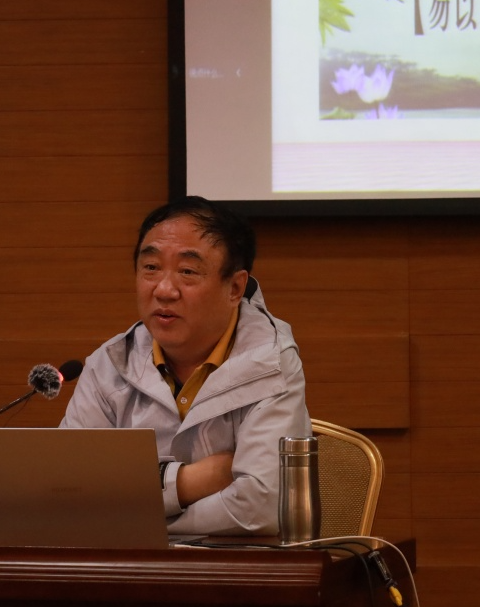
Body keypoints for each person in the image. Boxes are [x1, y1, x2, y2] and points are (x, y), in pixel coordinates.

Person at [59, 196, 311, 535]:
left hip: (234, 563)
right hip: (129, 564)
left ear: (235, 287)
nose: (164, 290)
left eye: (187, 272)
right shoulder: (110, 362)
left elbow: (260, 507)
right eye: (151, 268)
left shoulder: (271, 360)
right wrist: (190, 482)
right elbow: (68, 492)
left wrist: (137, 522)